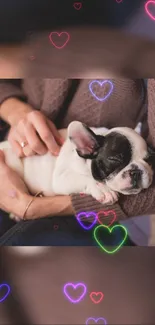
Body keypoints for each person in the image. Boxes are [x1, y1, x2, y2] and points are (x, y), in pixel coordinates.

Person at [0, 78, 155, 245]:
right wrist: (15, 111)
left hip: (50, 204)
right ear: (87, 147)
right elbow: (60, 182)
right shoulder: (80, 153)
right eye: (116, 162)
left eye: (147, 160)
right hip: (12, 159)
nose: (134, 172)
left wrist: (31, 208)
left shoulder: (102, 149)